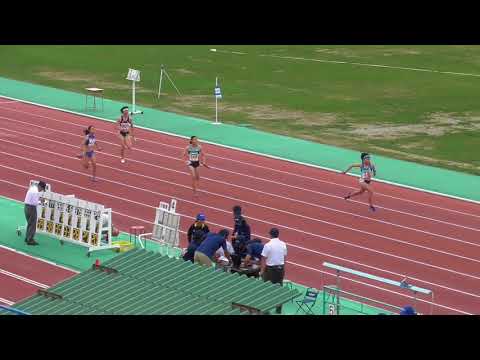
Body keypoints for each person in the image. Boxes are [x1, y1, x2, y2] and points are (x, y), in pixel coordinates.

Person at [260, 228, 287, 314]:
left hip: (270, 269)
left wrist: (261, 270)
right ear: (278, 234)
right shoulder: (283, 244)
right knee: (279, 289)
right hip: (280, 268)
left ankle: (265, 310)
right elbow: (284, 256)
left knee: (266, 289)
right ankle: (278, 309)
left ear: (270, 234)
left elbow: (263, 258)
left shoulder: (268, 245)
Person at [23, 181, 47, 246]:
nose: (41, 190)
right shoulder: (36, 192)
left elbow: (32, 198)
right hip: (31, 208)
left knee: (29, 223)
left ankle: (27, 237)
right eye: (42, 189)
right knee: (33, 224)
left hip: (26, 207)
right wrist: (41, 202)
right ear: (40, 186)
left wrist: (38, 199)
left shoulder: (32, 188)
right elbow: (34, 203)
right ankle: (30, 240)